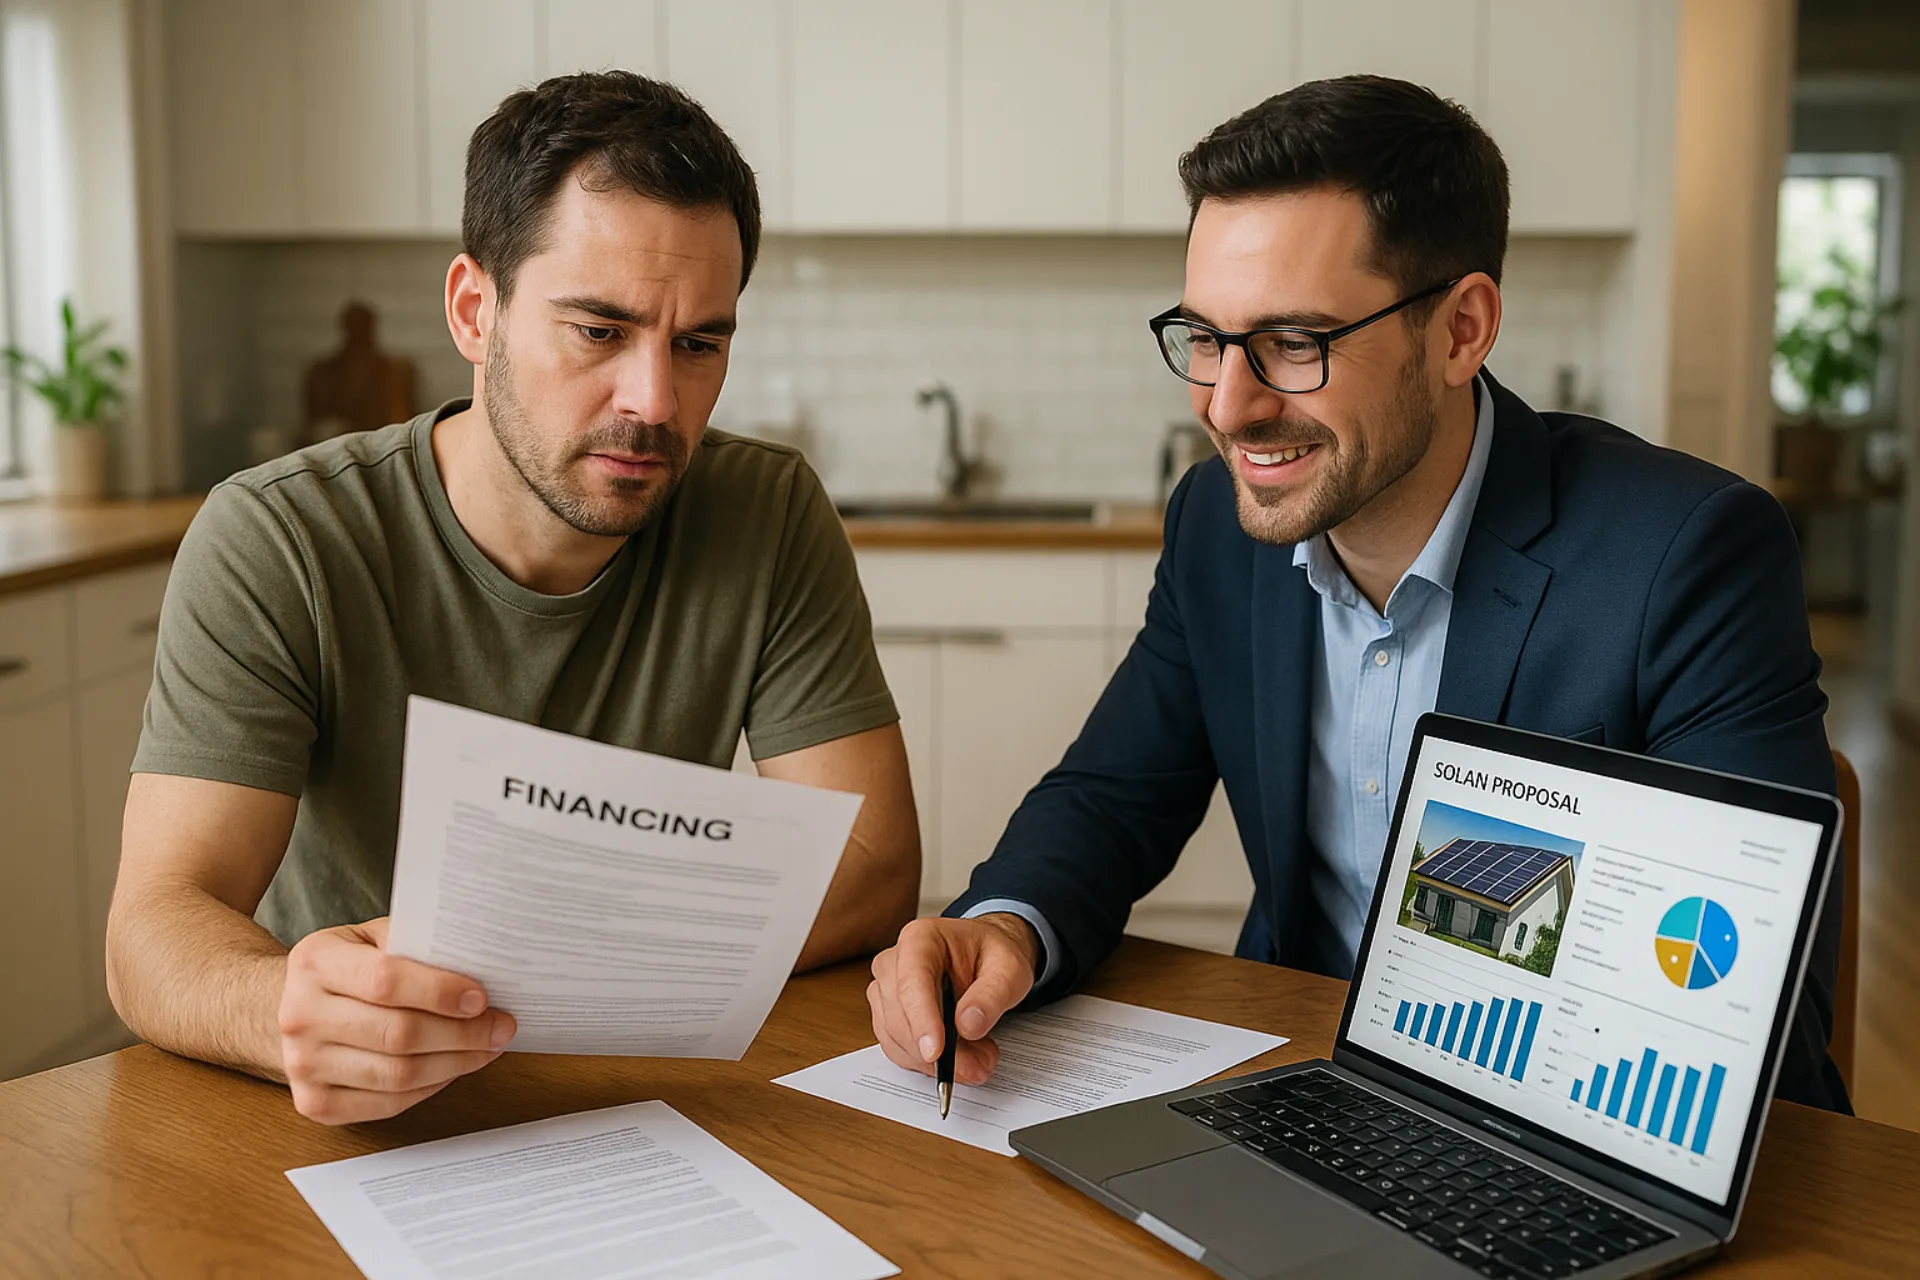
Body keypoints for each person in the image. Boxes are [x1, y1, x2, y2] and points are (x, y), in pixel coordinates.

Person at [865, 75, 1851, 1113]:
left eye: (1294, 342)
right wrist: (1005, 925)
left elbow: (1753, 1010)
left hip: (1572, 1128)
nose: (1229, 406)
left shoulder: (1687, 554)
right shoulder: (1216, 526)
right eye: (1205, 337)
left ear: (1462, 330)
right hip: (1302, 1093)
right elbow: (1113, 794)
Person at [108, 73, 920, 1125]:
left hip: (641, 1099)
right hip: (362, 1111)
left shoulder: (765, 508)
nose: (654, 401)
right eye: (598, 330)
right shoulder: (279, 536)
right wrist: (281, 1008)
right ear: (473, 311)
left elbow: (873, 860)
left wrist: (554, 963)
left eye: (698, 343)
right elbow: (156, 922)